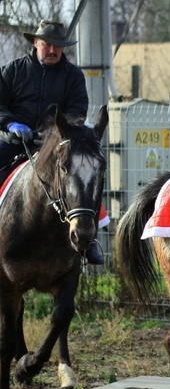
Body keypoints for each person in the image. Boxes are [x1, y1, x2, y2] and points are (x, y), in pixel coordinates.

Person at [0, 20, 104, 265]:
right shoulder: (12, 71)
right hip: (15, 142)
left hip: (57, 146)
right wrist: (11, 125)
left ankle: (90, 242)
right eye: (47, 44)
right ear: (35, 42)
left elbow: (77, 111)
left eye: (58, 46)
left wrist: (54, 134)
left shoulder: (74, 76)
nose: (52, 50)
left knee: (89, 174)